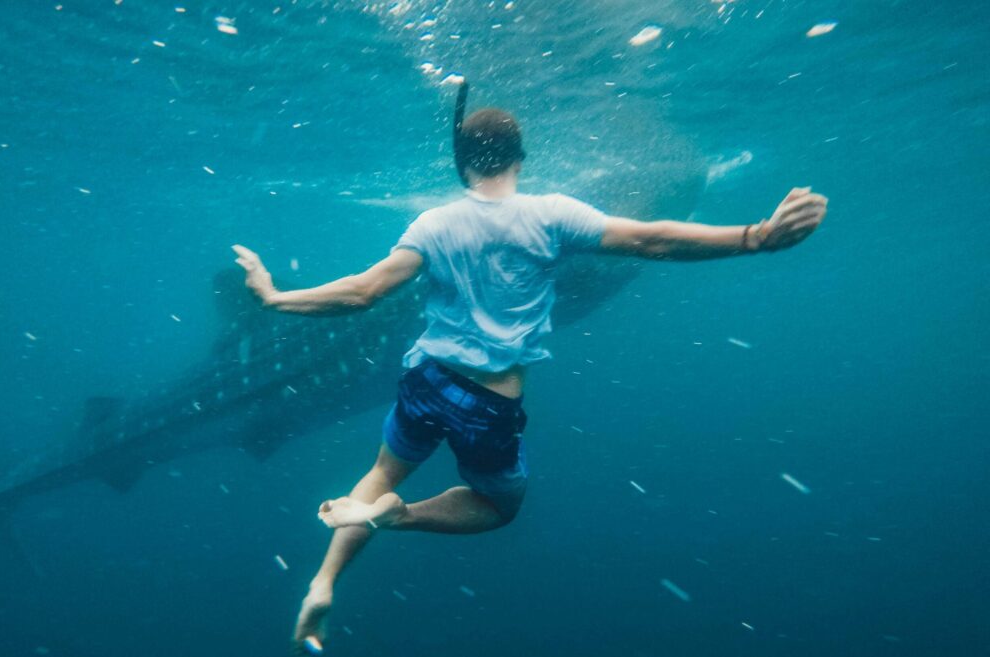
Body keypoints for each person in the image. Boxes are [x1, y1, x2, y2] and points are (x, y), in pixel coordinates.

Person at [232, 87, 827, 654]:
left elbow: (362, 292)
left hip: (425, 379)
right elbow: (655, 241)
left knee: (381, 472)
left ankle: (324, 581)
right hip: (488, 401)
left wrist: (274, 297)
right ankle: (402, 518)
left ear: (462, 165)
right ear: (521, 159)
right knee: (498, 506)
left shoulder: (432, 225)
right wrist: (755, 237)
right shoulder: (551, 215)